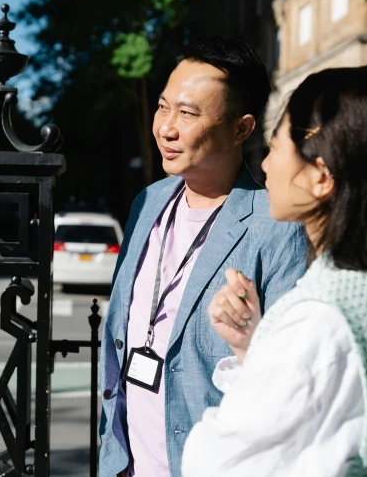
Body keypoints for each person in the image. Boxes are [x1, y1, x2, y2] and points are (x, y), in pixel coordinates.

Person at [182, 63, 367, 476]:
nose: (266, 166)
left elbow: (215, 463)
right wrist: (254, 347)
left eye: (275, 147)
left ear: (322, 176)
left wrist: (266, 349)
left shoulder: (321, 317)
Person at [98, 37, 308, 477]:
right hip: (127, 463)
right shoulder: (148, 203)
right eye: (162, 107)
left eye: (188, 113)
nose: (166, 128)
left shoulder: (275, 227)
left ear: (242, 129)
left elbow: (291, 383)